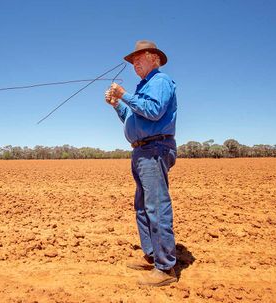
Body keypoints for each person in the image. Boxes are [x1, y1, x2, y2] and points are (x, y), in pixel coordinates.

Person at [105, 40, 178, 287]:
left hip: (155, 149)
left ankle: (166, 269)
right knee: (143, 208)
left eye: (139, 58)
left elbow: (154, 110)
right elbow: (132, 117)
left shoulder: (160, 81)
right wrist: (117, 104)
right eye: (132, 61)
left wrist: (124, 95)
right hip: (141, 151)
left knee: (156, 206)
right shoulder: (142, 86)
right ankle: (152, 256)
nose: (134, 64)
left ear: (154, 58)